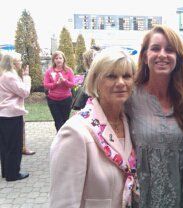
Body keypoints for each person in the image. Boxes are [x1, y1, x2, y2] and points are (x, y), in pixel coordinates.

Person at [49, 49, 138, 208]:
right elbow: (64, 202)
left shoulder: (132, 124)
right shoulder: (75, 132)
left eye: (126, 76)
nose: (120, 82)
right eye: (111, 76)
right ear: (95, 80)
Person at [125, 25, 183, 207]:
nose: (162, 55)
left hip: (181, 198)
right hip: (142, 199)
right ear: (144, 56)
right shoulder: (129, 97)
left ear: (178, 58)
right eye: (155, 48)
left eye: (170, 50)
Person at [0, 52, 31, 181]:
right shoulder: (10, 76)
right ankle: (13, 174)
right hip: (11, 114)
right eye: (19, 60)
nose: (21, 63)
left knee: (5, 145)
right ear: (13, 62)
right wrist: (26, 77)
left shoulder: (3, 75)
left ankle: (7, 171)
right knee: (14, 145)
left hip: (4, 114)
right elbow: (24, 92)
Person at [43, 51, 75, 131]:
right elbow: (46, 85)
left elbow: (72, 85)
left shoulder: (68, 70)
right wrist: (56, 83)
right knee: (58, 121)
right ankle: (60, 139)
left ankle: (64, 138)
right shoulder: (49, 71)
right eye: (56, 58)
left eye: (60, 58)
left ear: (64, 59)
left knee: (65, 121)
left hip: (66, 99)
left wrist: (64, 81)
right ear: (53, 60)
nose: (58, 60)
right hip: (53, 100)